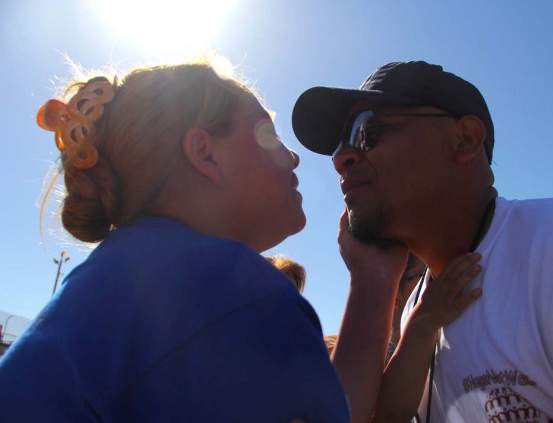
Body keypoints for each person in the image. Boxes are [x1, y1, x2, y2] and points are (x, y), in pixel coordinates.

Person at [0, 58, 349, 422]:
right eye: (268, 136)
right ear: (204, 153)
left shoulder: (107, 277)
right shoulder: (236, 290)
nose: (292, 157)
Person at [291, 61, 553, 422]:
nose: (341, 159)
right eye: (340, 143)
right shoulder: (420, 312)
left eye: (366, 130)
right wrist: (372, 278)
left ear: (465, 140)